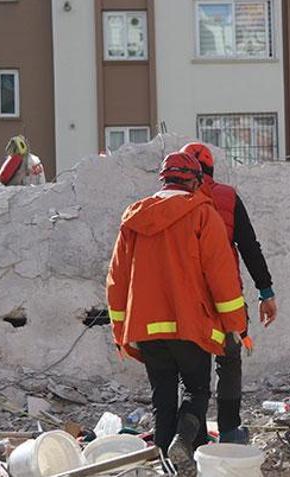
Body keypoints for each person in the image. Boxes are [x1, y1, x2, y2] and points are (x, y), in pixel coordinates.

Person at [105, 151, 246, 474]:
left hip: (147, 328)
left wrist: (121, 330)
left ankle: (168, 465)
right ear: (195, 181)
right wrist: (234, 325)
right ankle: (184, 439)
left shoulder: (134, 218)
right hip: (190, 324)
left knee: (163, 398)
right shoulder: (202, 214)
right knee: (196, 390)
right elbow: (221, 276)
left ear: (164, 180)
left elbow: (116, 280)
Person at [180, 141, 278, 444]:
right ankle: (230, 429)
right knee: (229, 360)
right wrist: (266, 291)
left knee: (193, 365)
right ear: (211, 169)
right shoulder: (227, 197)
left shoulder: (172, 201)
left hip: (187, 297)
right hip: (226, 297)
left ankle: (190, 434)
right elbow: (250, 247)